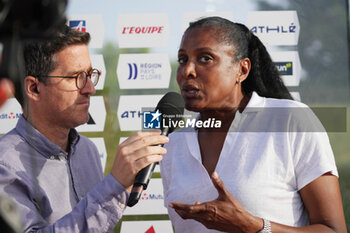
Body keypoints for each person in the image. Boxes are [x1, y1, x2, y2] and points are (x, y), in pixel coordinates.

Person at [160, 17, 347, 233]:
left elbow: (333, 230)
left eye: (205, 58)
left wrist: (254, 226)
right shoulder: (173, 145)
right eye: (183, 59)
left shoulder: (289, 119)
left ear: (242, 70)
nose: (187, 71)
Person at [0, 25, 169, 232]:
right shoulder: (5, 165)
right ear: (34, 88)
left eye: (90, 75)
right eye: (75, 77)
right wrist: (114, 184)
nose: (90, 88)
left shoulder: (86, 150)